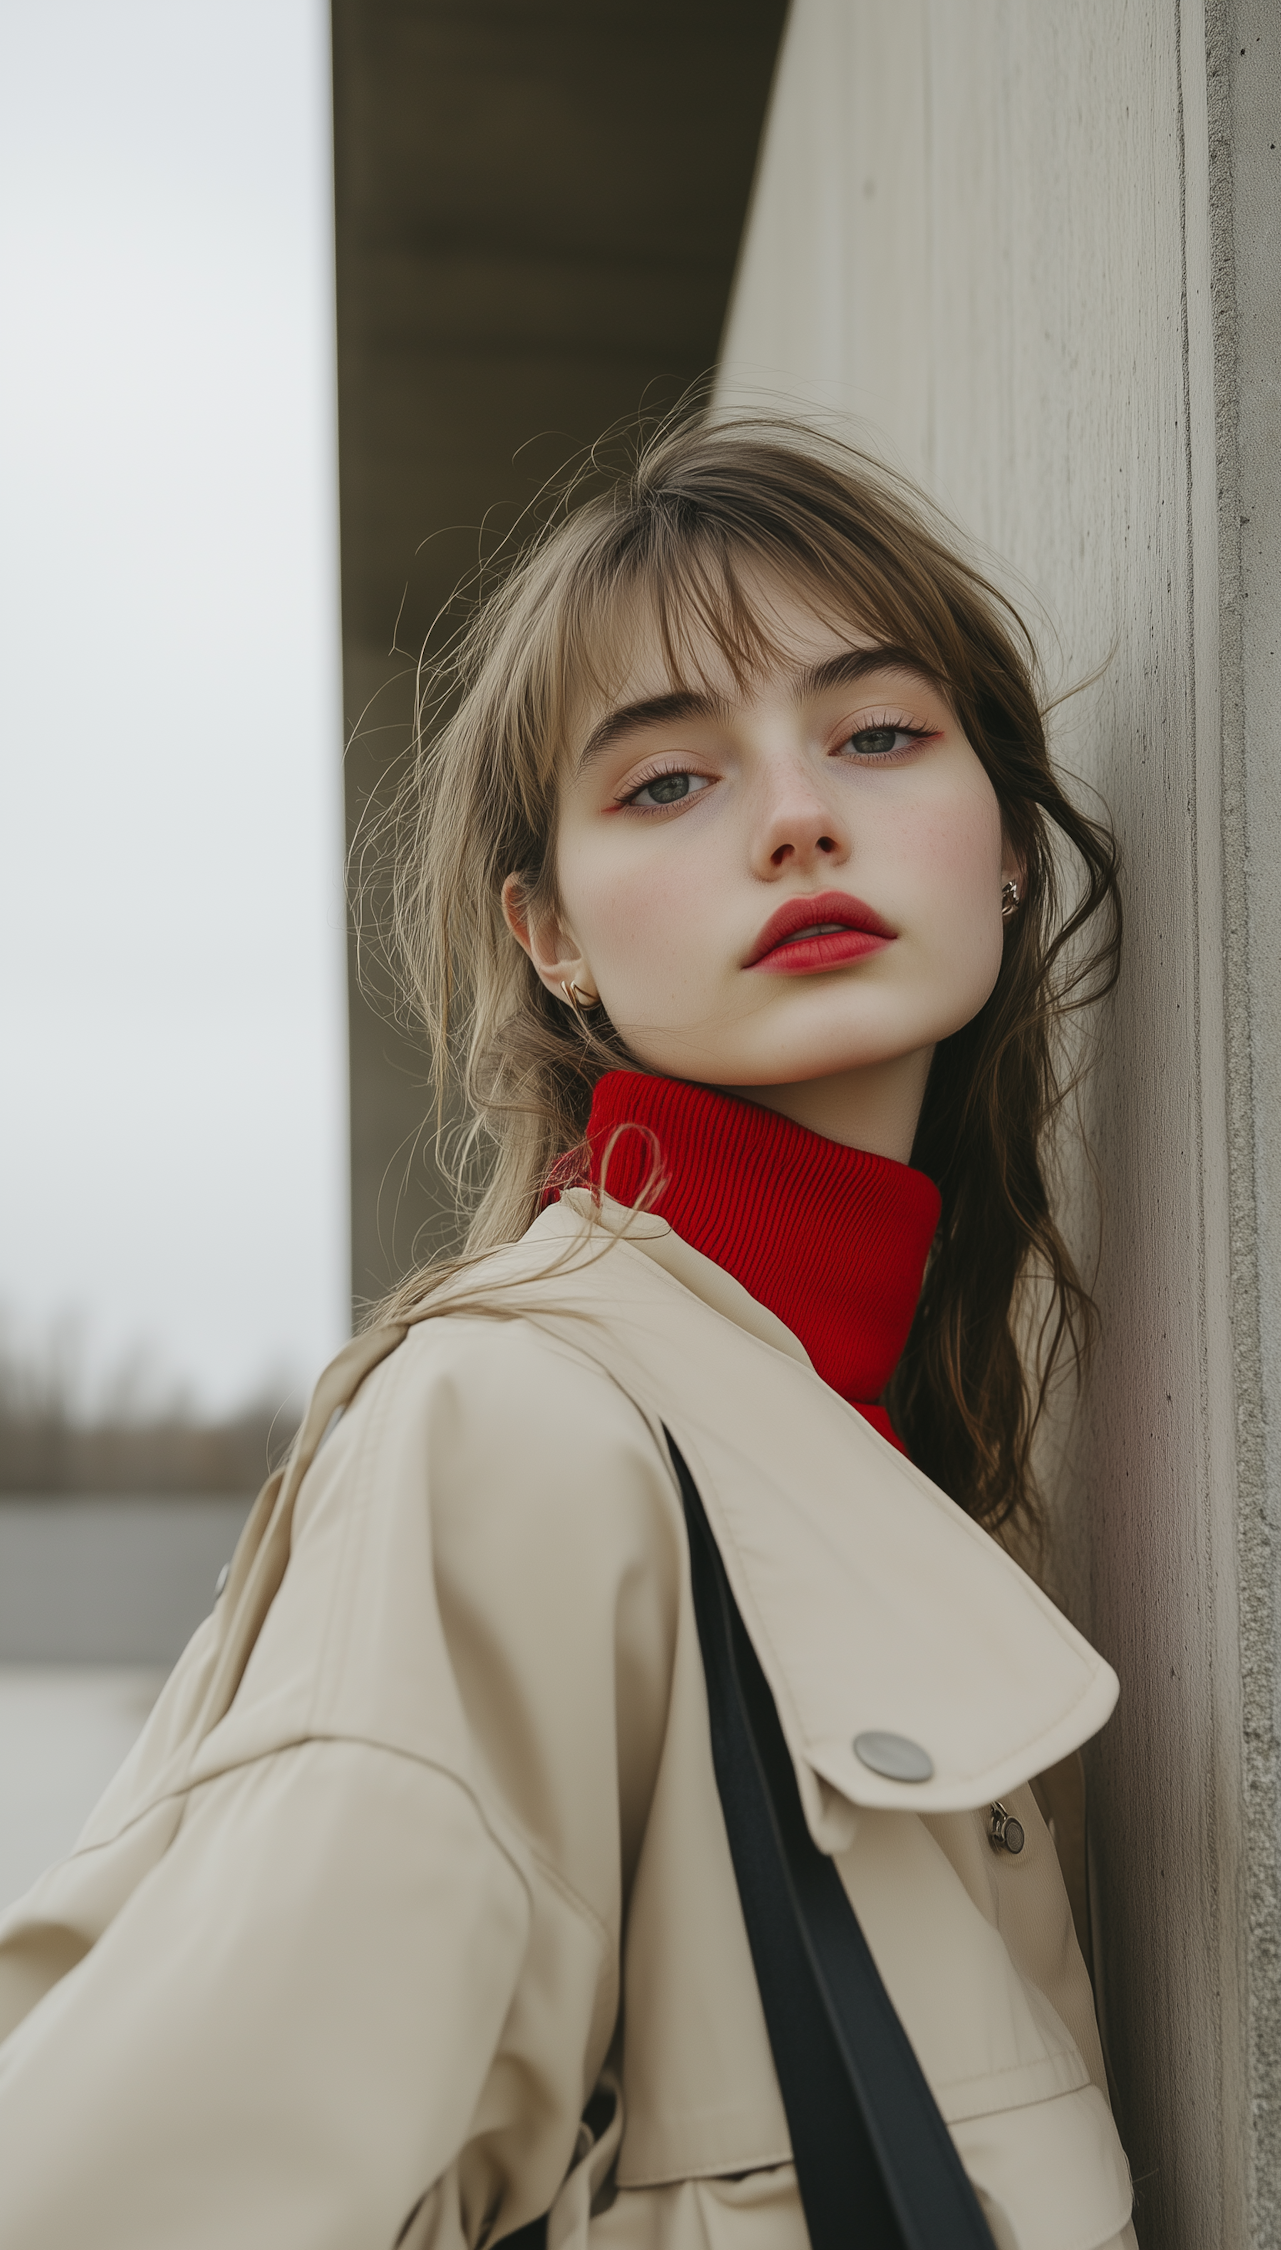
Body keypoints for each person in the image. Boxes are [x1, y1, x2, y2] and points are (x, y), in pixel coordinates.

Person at [0, 417, 1136, 2248]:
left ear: (1004, 841)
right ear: (553, 938)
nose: (796, 815)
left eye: (876, 734)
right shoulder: (515, 1427)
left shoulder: (901, 1445)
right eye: (670, 782)